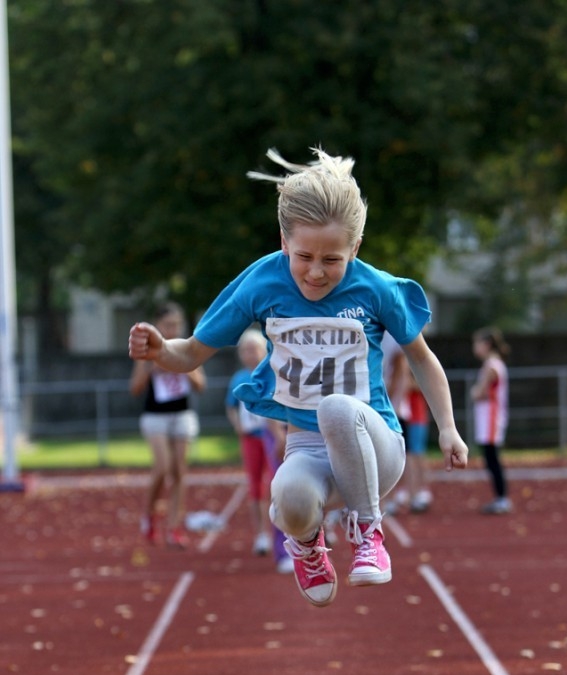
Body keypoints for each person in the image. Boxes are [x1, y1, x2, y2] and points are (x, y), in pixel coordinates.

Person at [129, 147, 468, 606]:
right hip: (308, 446)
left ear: (355, 248)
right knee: (285, 497)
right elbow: (190, 353)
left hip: (375, 445)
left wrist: (447, 427)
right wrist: (158, 351)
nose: (315, 272)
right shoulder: (262, 282)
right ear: (284, 242)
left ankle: (368, 531)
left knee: (336, 407)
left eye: (332, 260)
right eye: (304, 256)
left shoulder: (375, 289)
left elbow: (423, 359)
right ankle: (309, 548)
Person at [129, 302, 206, 547]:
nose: (173, 329)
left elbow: (201, 385)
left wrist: (185, 367)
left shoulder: (188, 347)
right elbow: (135, 389)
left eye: (176, 324)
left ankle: (174, 527)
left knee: (179, 473)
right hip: (155, 416)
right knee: (162, 467)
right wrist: (152, 366)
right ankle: (149, 515)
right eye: (167, 325)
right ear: (158, 325)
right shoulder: (148, 349)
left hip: (182, 414)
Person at [226, 328, 293, 573]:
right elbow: (266, 404)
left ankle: (311, 538)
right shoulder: (262, 373)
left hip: (300, 431)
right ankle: (277, 545)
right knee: (274, 488)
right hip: (270, 435)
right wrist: (277, 434)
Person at [382, 332, 433, 514]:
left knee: (409, 455)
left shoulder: (407, 362)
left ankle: (415, 493)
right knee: (405, 456)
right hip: (400, 412)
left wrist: (388, 396)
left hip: (400, 413)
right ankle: (406, 494)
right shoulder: (402, 360)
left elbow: (408, 383)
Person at [471, 326, 512, 514]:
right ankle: (500, 497)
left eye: (477, 343)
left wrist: (475, 392)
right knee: (490, 458)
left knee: (492, 458)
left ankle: (502, 498)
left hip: (491, 418)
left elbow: (479, 392)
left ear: (486, 345)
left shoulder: (491, 366)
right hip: (488, 417)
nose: (475, 347)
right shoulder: (493, 364)